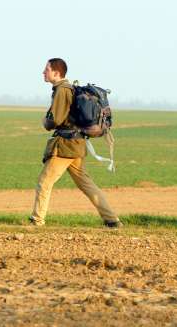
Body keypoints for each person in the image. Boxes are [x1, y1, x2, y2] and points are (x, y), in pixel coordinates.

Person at [29, 58, 122, 228]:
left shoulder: (62, 90)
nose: (43, 73)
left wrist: (45, 121)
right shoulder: (68, 89)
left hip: (66, 145)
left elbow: (55, 120)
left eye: (46, 70)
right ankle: (112, 220)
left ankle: (37, 220)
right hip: (76, 144)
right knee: (86, 184)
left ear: (56, 73)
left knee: (45, 181)